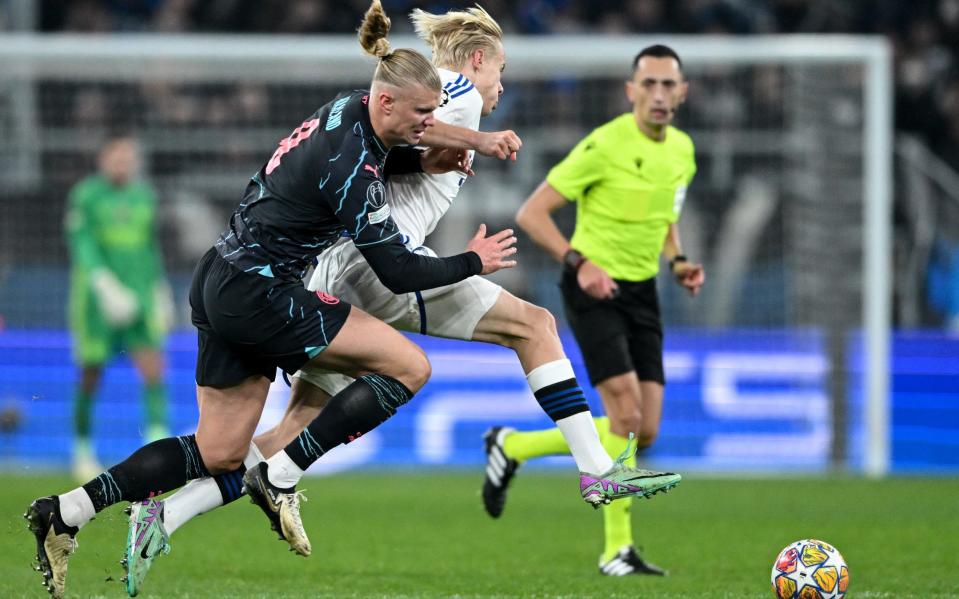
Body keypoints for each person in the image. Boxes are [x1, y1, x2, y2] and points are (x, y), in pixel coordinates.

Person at [116, 3, 683, 591]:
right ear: (478, 60)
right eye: (502, 70)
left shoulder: (407, 106)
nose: (501, 85)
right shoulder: (455, 92)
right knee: (534, 325)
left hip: (335, 268)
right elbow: (424, 124)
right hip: (379, 267)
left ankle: (166, 513)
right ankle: (596, 472)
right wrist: (477, 139)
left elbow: (391, 142)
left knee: (292, 430)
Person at [24, 4, 519, 597]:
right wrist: (474, 262)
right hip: (263, 292)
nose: (427, 125)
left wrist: (447, 147)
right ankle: (281, 475)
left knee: (219, 451)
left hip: (219, 276)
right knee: (409, 367)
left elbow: (396, 146)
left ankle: (66, 511)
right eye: (421, 116)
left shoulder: (345, 108)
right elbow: (395, 270)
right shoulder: (351, 172)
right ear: (387, 103)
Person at [486, 45, 705, 577]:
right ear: (631, 92)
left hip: (643, 292)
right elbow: (532, 213)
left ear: (682, 93)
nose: (658, 94)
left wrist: (676, 260)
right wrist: (578, 262)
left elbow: (666, 215)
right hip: (591, 287)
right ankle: (617, 549)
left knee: (645, 429)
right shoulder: (604, 145)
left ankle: (512, 445)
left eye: (667, 85)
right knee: (625, 417)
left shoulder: (683, 151)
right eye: (647, 84)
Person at [64, 136, 173, 481]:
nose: (123, 163)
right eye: (117, 156)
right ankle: (82, 449)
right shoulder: (86, 196)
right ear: (103, 158)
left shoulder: (144, 196)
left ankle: (158, 445)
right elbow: (82, 243)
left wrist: (158, 287)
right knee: (91, 372)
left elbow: (149, 245)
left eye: (129, 157)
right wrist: (103, 284)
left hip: (139, 296)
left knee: (154, 368)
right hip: (97, 302)